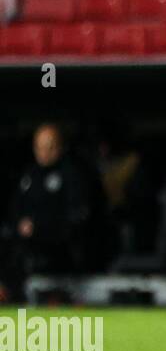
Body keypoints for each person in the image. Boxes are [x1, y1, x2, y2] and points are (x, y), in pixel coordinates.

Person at [1, 124, 95, 298]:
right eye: (40, 147)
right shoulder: (29, 175)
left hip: (58, 246)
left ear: (60, 147)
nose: (44, 152)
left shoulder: (71, 175)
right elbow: (15, 210)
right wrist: (20, 225)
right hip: (26, 243)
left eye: (50, 147)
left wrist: (39, 227)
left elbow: (75, 217)